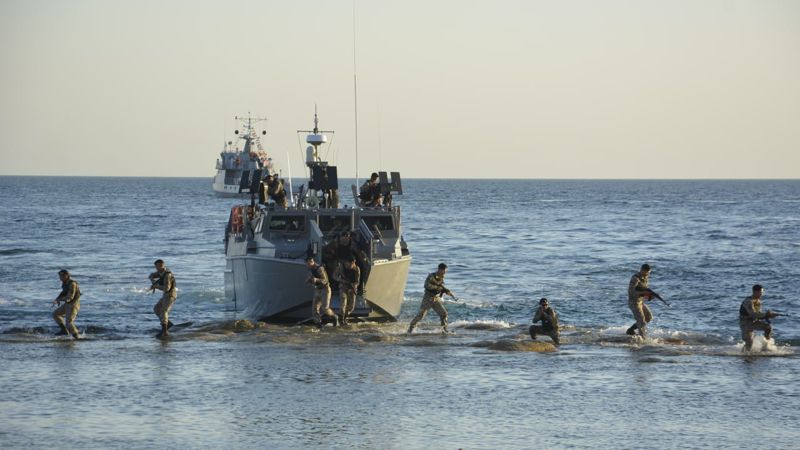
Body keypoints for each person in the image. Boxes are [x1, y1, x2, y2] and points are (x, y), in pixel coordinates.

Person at [407, 263, 455, 334]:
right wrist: (438, 288)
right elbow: (426, 285)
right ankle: (410, 329)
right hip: (428, 298)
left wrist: (446, 291)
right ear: (439, 269)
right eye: (444, 271)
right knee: (421, 316)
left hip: (435, 299)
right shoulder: (431, 276)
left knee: (444, 314)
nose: (444, 273)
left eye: (445, 271)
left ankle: (444, 330)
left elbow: (442, 287)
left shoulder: (441, 277)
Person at [625, 263, 661, 338]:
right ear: (641, 270)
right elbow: (631, 292)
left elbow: (644, 291)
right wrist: (644, 293)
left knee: (649, 317)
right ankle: (642, 339)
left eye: (649, 272)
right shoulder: (635, 278)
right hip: (633, 303)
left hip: (640, 302)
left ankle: (630, 330)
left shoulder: (645, 278)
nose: (647, 274)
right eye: (646, 272)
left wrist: (650, 296)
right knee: (641, 321)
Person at [739, 284, 778, 351]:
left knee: (768, 327)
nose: (761, 294)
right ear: (755, 292)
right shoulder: (748, 301)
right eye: (760, 292)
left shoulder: (758, 301)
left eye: (762, 292)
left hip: (753, 322)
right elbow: (753, 314)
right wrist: (766, 314)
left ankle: (765, 347)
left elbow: (759, 314)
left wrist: (769, 316)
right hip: (745, 323)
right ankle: (744, 356)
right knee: (749, 342)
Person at [306, 256, 337, 327]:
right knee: (314, 309)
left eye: (309, 263)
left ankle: (334, 317)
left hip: (325, 289)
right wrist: (309, 281)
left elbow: (325, 280)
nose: (308, 265)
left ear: (312, 262)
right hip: (317, 289)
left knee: (325, 308)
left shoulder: (319, 269)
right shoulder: (310, 269)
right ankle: (318, 324)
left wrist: (317, 280)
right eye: (307, 264)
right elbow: (311, 278)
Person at [149, 259, 177, 338]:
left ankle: (164, 331)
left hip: (171, 294)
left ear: (163, 265)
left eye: (161, 266)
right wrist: (152, 280)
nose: (159, 268)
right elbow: (151, 275)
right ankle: (168, 324)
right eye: (157, 266)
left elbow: (166, 288)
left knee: (164, 311)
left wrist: (156, 286)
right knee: (157, 309)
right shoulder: (160, 272)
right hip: (165, 295)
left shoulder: (167, 274)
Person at [52, 269, 81, 339]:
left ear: (66, 276)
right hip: (67, 304)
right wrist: (57, 299)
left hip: (73, 304)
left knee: (69, 323)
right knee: (55, 314)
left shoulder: (72, 284)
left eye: (61, 276)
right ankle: (64, 330)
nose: (60, 278)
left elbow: (70, 297)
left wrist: (60, 299)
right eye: (59, 277)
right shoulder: (64, 283)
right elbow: (63, 293)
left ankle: (77, 337)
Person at [336, 256, 360, 325]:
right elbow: (334, 276)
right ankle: (341, 320)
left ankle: (345, 317)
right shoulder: (341, 267)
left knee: (351, 307)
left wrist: (354, 286)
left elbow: (357, 281)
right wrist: (342, 280)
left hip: (352, 288)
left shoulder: (357, 269)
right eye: (349, 264)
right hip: (343, 287)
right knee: (343, 302)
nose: (350, 265)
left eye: (352, 264)